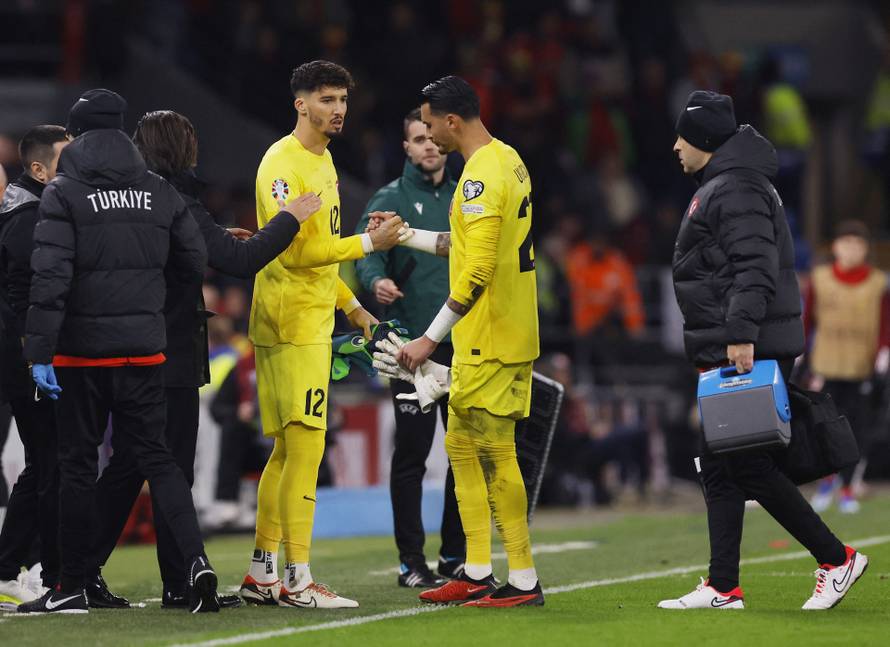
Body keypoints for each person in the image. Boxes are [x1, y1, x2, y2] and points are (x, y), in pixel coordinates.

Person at [85, 109, 313, 610]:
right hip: (170, 354)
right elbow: (241, 263)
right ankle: (173, 578)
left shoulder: (135, 200)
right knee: (169, 468)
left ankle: (86, 571)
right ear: (181, 150)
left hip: (125, 348)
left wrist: (220, 235)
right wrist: (289, 219)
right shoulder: (179, 202)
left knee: (128, 464)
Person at [659, 90, 867, 611]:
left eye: (684, 135)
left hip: (748, 344)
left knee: (745, 465)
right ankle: (723, 587)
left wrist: (741, 335)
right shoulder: (733, 183)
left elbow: (753, 269)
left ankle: (836, 558)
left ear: (705, 138)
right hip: (741, 339)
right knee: (719, 465)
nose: (676, 145)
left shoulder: (735, 188)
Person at [19, 89, 219, 614]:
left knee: (79, 466)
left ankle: (71, 586)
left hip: (81, 357)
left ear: (78, 134)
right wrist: (150, 299)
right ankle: (196, 561)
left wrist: (39, 351)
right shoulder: (157, 189)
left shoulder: (64, 192)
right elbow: (193, 260)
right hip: (146, 353)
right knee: (160, 458)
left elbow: (50, 278)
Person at [239, 60, 403, 610]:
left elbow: (321, 256)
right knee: (304, 448)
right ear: (300, 104)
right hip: (290, 324)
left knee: (287, 450)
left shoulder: (324, 160)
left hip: (305, 316)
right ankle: (298, 580)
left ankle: (264, 573)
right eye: (327, 99)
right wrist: (368, 246)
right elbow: (298, 251)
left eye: (343, 100)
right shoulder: (282, 166)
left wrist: (354, 309)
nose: (338, 110)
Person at [394, 76, 544, 607]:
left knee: (496, 452)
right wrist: (404, 235)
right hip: (496, 334)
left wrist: (429, 340)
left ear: (451, 122)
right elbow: (468, 245)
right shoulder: (507, 159)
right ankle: (477, 570)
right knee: (460, 445)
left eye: (431, 127)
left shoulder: (479, 177)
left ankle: (523, 579)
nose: (430, 137)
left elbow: (477, 270)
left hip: (494, 338)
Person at [354, 108, 465, 589]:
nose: (428, 146)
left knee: (463, 454)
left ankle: (457, 558)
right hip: (408, 351)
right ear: (405, 147)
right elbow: (366, 252)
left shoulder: (467, 195)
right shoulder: (390, 198)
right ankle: (410, 561)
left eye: (432, 138)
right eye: (418, 139)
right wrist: (376, 280)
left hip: (462, 346)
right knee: (413, 456)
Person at [0, 125, 68, 606]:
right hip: (27, 358)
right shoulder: (29, 220)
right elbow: (25, 299)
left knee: (47, 462)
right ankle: (28, 568)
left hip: (27, 356)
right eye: (69, 157)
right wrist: (37, 355)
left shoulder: (30, 212)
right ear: (40, 169)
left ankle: (21, 566)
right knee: (49, 462)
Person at [804, 220, 889, 514]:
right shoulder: (819, 279)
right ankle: (827, 482)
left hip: (861, 367)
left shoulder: (878, 282)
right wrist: (801, 356)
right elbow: (807, 322)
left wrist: (883, 354)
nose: (851, 249)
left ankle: (849, 487)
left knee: (858, 429)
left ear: (866, 249)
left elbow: (884, 324)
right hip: (826, 365)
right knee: (826, 427)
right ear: (836, 247)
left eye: (857, 243)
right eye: (846, 242)